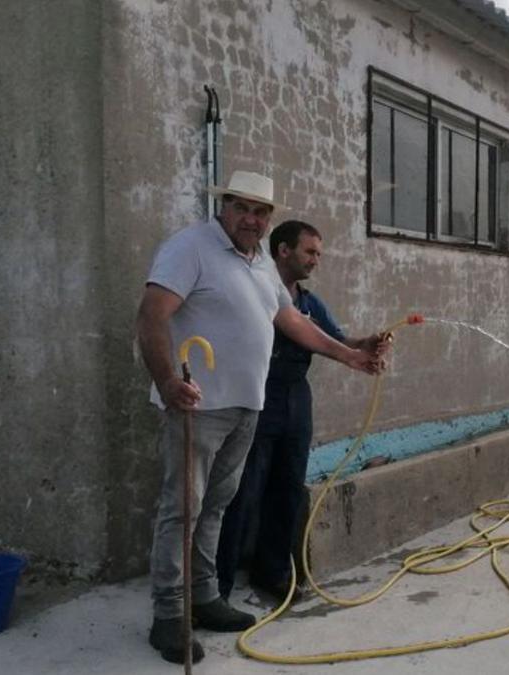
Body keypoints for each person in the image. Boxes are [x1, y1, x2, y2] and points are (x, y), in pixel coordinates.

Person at [135, 171, 386, 665]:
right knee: (183, 509)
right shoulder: (192, 247)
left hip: (248, 404)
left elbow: (291, 321)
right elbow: (152, 314)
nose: (251, 218)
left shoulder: (260, 264)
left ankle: (205, 597)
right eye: (242, 207)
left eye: (261, 211)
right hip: (198, 406)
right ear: (223, 206)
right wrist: (167, 382)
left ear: (269, 220)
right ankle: (169, 614)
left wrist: (349, 354)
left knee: (216, 506)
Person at [215, 220, 386, 602]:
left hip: (296, 399)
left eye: (319, 254)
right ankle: (218, 586)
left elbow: (336, 340)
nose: (315, 261)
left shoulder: (309, 303)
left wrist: (366, 344)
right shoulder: (258, 291)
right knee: (242, 492)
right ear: (283, 250)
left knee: (288, 488)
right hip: (258, 397)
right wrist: (351, 355)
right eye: (310, 252)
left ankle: (272, 572)